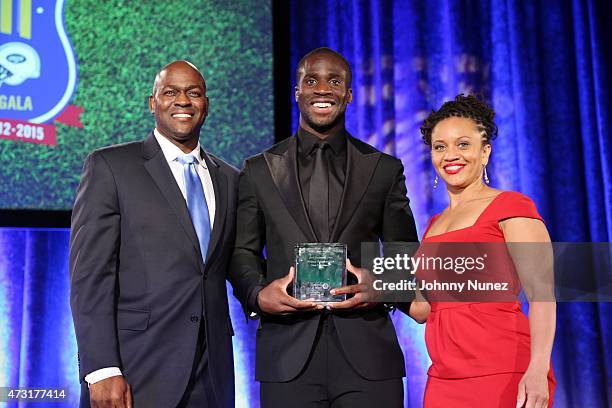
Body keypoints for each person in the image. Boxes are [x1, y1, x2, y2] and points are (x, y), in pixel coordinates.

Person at [229, 47, 418, 408]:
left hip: (369, 357)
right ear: (296, 91)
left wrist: (381, 286)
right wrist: (256, 295)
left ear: (348, 94)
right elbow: (242, 251)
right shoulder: (257, 170)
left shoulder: (383, 169)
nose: (322, 89)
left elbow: (404, 253)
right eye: (311, 80)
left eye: (334, 81)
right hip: (287, 357)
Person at [70, 60, 238, 408]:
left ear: (206, 103)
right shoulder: (111, 167)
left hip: (212, 376)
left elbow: (234, 264)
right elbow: (90, 277)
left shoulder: (230, 179)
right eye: (171, 92)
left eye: (194, 93)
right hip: (135, 370)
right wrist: (101, 369)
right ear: (153, 102)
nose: (183, 101)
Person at [408, 94, 556, 407]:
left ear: (485, 152)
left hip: (504, 372)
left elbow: (542, 296)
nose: (451, 155)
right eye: (440, 146)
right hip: (443, 379)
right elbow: (422, 309)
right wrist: (373, 284)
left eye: (463, 144)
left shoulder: (512, 207)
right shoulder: (433, 225)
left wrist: (538, 369)